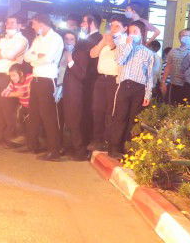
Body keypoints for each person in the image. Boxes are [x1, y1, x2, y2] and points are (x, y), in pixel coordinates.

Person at [106, 21, 155, 159]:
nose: (132, 34)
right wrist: (128, 45)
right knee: (120, 117)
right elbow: (119, 61)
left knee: (133, 119)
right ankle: (114, 148)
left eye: (135, 32)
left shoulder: (148, 53)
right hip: (124, 85)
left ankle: (127, 148)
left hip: (139, 88)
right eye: (130, 32)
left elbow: (149, 76)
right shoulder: (122, 46)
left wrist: (148, 94)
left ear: (142, 34)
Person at [24, 13, 64, 160]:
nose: (33, 27)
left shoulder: (55, 38)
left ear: (41, 23)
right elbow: (27, 57)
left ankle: (54, 150)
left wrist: (35, 58)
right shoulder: (37, 39)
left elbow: (47, 58)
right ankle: (32, 145)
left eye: (34, 24)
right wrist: (36, 57)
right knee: (33, 113)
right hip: (36, 78)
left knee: (48, 116)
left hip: (48, 79)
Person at [0, 15, 28, 145]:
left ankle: (9, 137)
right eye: (8, 23)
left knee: (8, 107)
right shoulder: (2, 40)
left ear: (19, 25)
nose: (9, 25)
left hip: (8, 76)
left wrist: (0, 53)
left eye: (12, 23)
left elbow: (11, 55)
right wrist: (3, 54)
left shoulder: (22, 40)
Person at [88, 15, 125, 152]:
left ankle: (109, 141)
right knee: (97, 109)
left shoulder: (124, 42)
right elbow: (92, 54)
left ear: (124, 28)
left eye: (117, 26)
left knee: (111, 111)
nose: (113, 28)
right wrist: (103, 41)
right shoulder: (106, 39)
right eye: (112, 26)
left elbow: (119, 56)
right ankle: (97, 139)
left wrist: (110, 42)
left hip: (114, 80)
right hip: (101, 79)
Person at [58, 30, 90, 160]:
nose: (69, 42)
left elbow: (82, 75)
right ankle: (65, 147)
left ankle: (80, 151)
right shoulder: (61, 52)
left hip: (74, 93)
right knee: (63, 121)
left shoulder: (80, 54)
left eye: (72, 39)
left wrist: (71, 61)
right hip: (60, 91)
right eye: (66, 39)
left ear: (76, 41)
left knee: (74, 122)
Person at [160, 29, 190, 104]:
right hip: (174, 84)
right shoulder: (173, 51)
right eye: (184, 35)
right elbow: (168, 66)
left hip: (189, 86)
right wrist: (163, 82)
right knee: (171, 105)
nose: (187, 37)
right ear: (179, 38)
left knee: (187, 107)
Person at [2, 63, 33, 149]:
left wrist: (28, 91)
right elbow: (4, 93)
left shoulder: (30, 78)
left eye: (14, 75)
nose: (12, 78)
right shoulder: (13, 82)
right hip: (24, 106)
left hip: (33, 107)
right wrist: (16, 94)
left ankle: (30, 144)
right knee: (19, 120)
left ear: (21, 73)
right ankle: (22, 140)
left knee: (31, 125)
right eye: (10, 76)